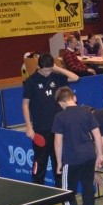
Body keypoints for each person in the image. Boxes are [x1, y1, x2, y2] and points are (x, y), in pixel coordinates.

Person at [51, 87, 103, 205]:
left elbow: (58, 142)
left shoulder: (60, 117)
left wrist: (59, 162)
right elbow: (97, 134)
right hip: (89, 156)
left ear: (61, 102)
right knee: (88, 188)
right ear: (74, 98)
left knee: (66, 192)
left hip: (72, 159)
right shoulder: (86, 112)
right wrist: (100, 154)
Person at [22, 53, 80, 185]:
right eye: (45, 70)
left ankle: (61, 188)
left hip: (58, 128)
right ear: (39, 67)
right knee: (40, 161)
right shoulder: (31, 81)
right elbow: (25, 104)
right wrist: (29, 127)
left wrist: (56, 68)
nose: (47, 72)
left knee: (58, 160)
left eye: (49, 69)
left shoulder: (57, 77)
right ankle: (38, 188)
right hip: (41, 128)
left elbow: (75, 77)